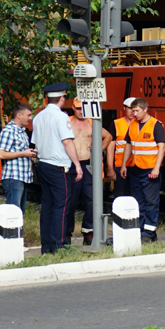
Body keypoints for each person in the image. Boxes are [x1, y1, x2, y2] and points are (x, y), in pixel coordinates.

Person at [31, 83, 83, 253]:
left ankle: (46, 246)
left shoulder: (38, 116)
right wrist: (77, 164)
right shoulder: (61, 117)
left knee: (47, 206)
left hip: (43, 164)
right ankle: (60, 244)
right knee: (61, 205)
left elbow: (36, 143)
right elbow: (67, 142)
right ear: (62, 98)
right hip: (59, 166)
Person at [69, 99, 115, 246]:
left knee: (90, 200)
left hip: (88, 165)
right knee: (71, 200)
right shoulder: (68, 122)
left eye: (83, 108)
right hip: (71, 165)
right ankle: (67, 233)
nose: (80, 111)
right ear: (73, 108)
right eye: (77, 108)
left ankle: (88, 232)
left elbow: (108, 136)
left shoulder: (91, 123)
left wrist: (97, 150)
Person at [126, 98, 164, 242]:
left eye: (137, 111)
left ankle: (149, 232)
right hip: (136, 168)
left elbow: (162, 147)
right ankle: (142, 230)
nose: (134, 114)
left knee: (151, 202)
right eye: (133, 111)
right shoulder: (133, 124)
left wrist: (156, 168)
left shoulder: (155, 125)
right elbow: (129, 145)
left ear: (145, 109)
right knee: (139, 202)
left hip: (149, 169)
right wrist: (124, 164)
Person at [0, 103, 36, 211]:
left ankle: (18, 228)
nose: (30, 118)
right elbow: (1, 154)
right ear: (19, 115)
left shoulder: (21, 131)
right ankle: (11, 229)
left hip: (22, 176)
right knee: (13, 212)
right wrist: (23, 153)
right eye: (28, 115)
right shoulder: (9, 130)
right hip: (13, 176)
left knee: (19, 211)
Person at [110, 98, 136, 183]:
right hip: (120, 166)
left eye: (134, 109)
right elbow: (110, 147)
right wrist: (110, 168)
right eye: (129, 108)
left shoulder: (141, 124)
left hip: (137, 166)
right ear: (124, 108)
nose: (132, 111)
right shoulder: (116, 124)